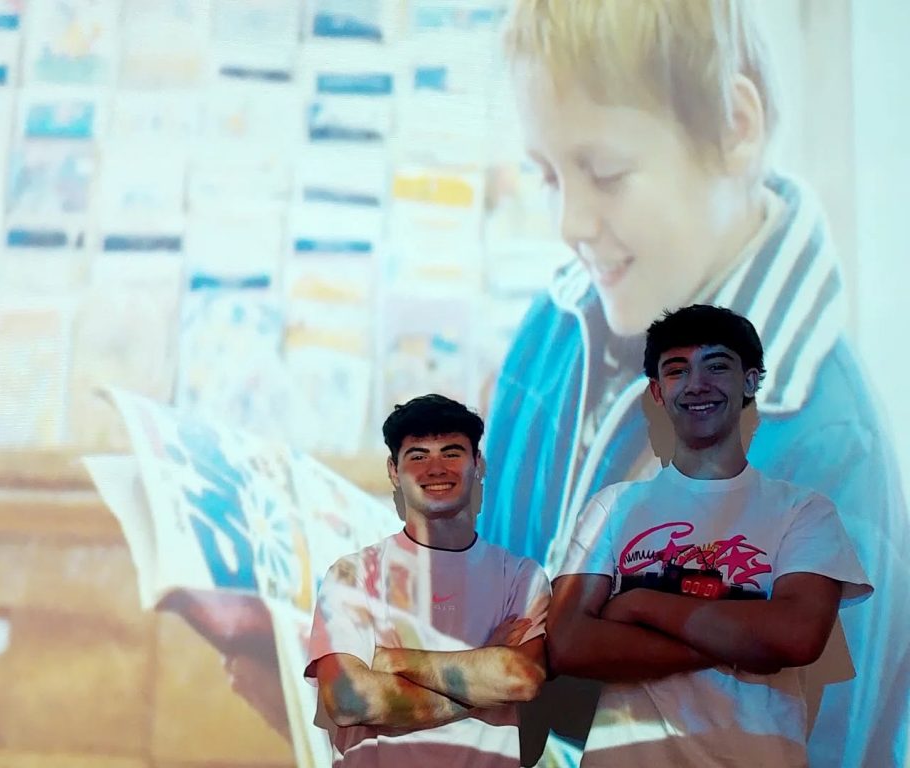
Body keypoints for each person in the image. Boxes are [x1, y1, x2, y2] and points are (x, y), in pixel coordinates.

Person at [482, 2, 910, 765]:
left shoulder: (827, 449)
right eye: (548, 175)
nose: (570, 222)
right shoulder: (551, 336)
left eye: (606, 174)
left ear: (735, 128)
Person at [545, 304, 871, 766]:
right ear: (658, 391)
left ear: (751, 381)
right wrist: (745, 642)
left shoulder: (803, 511)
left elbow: (796, 637)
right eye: (677, 370)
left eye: (716, 366)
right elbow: (568, 644)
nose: (696, 384)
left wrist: (639, 605)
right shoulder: (611, 508)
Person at [303, 394, 550, 766]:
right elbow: (350, 700)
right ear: (393, 470)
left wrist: (394, 660)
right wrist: (484, 667)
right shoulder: (353, 575)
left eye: (451, 453)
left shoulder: (519, 576)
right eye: (418, 456)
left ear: (477, 463)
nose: (436, 469)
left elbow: (521, 679)